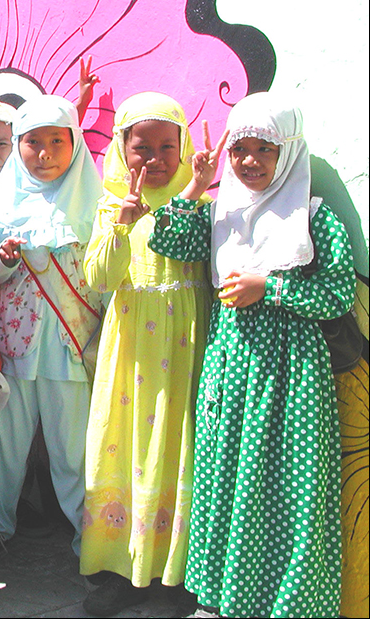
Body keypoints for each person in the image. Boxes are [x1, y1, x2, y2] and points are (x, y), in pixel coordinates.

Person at [150, 93, 354, 618]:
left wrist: (272, 288)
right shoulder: (222, 211)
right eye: (241, 148)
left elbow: (338, 294)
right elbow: (166, 239)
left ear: (289, 151)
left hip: (292, 377)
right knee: (226, 483)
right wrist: (198, 183)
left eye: (265, 149)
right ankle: (223, 603)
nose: (250, 161)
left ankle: (286, 607)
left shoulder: (314, 216)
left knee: (290, 493)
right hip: (231, 367)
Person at [78, 93, 211, 617]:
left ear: (183, 150)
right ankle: (119, 567)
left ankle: (177, 571)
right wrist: (122, 226)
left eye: (166, 147)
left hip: (185, 346)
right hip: (131, 349)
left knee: (182, 449)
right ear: (121, 148)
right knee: (126, 445)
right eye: (141, 147)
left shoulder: (200, 206)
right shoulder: (111, 206)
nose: (153, 159)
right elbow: (99, 279)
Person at [0, 95, 102, 570]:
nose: (43, 154)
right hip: (15, 347)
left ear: (75, 145)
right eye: (32, 143)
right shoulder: (1, 204)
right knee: (4, 447)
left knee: (74, 453)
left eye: (55, 142)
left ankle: (93, 542)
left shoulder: (97, 205)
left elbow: (106, 278)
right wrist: (0, 260)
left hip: (72, 347)